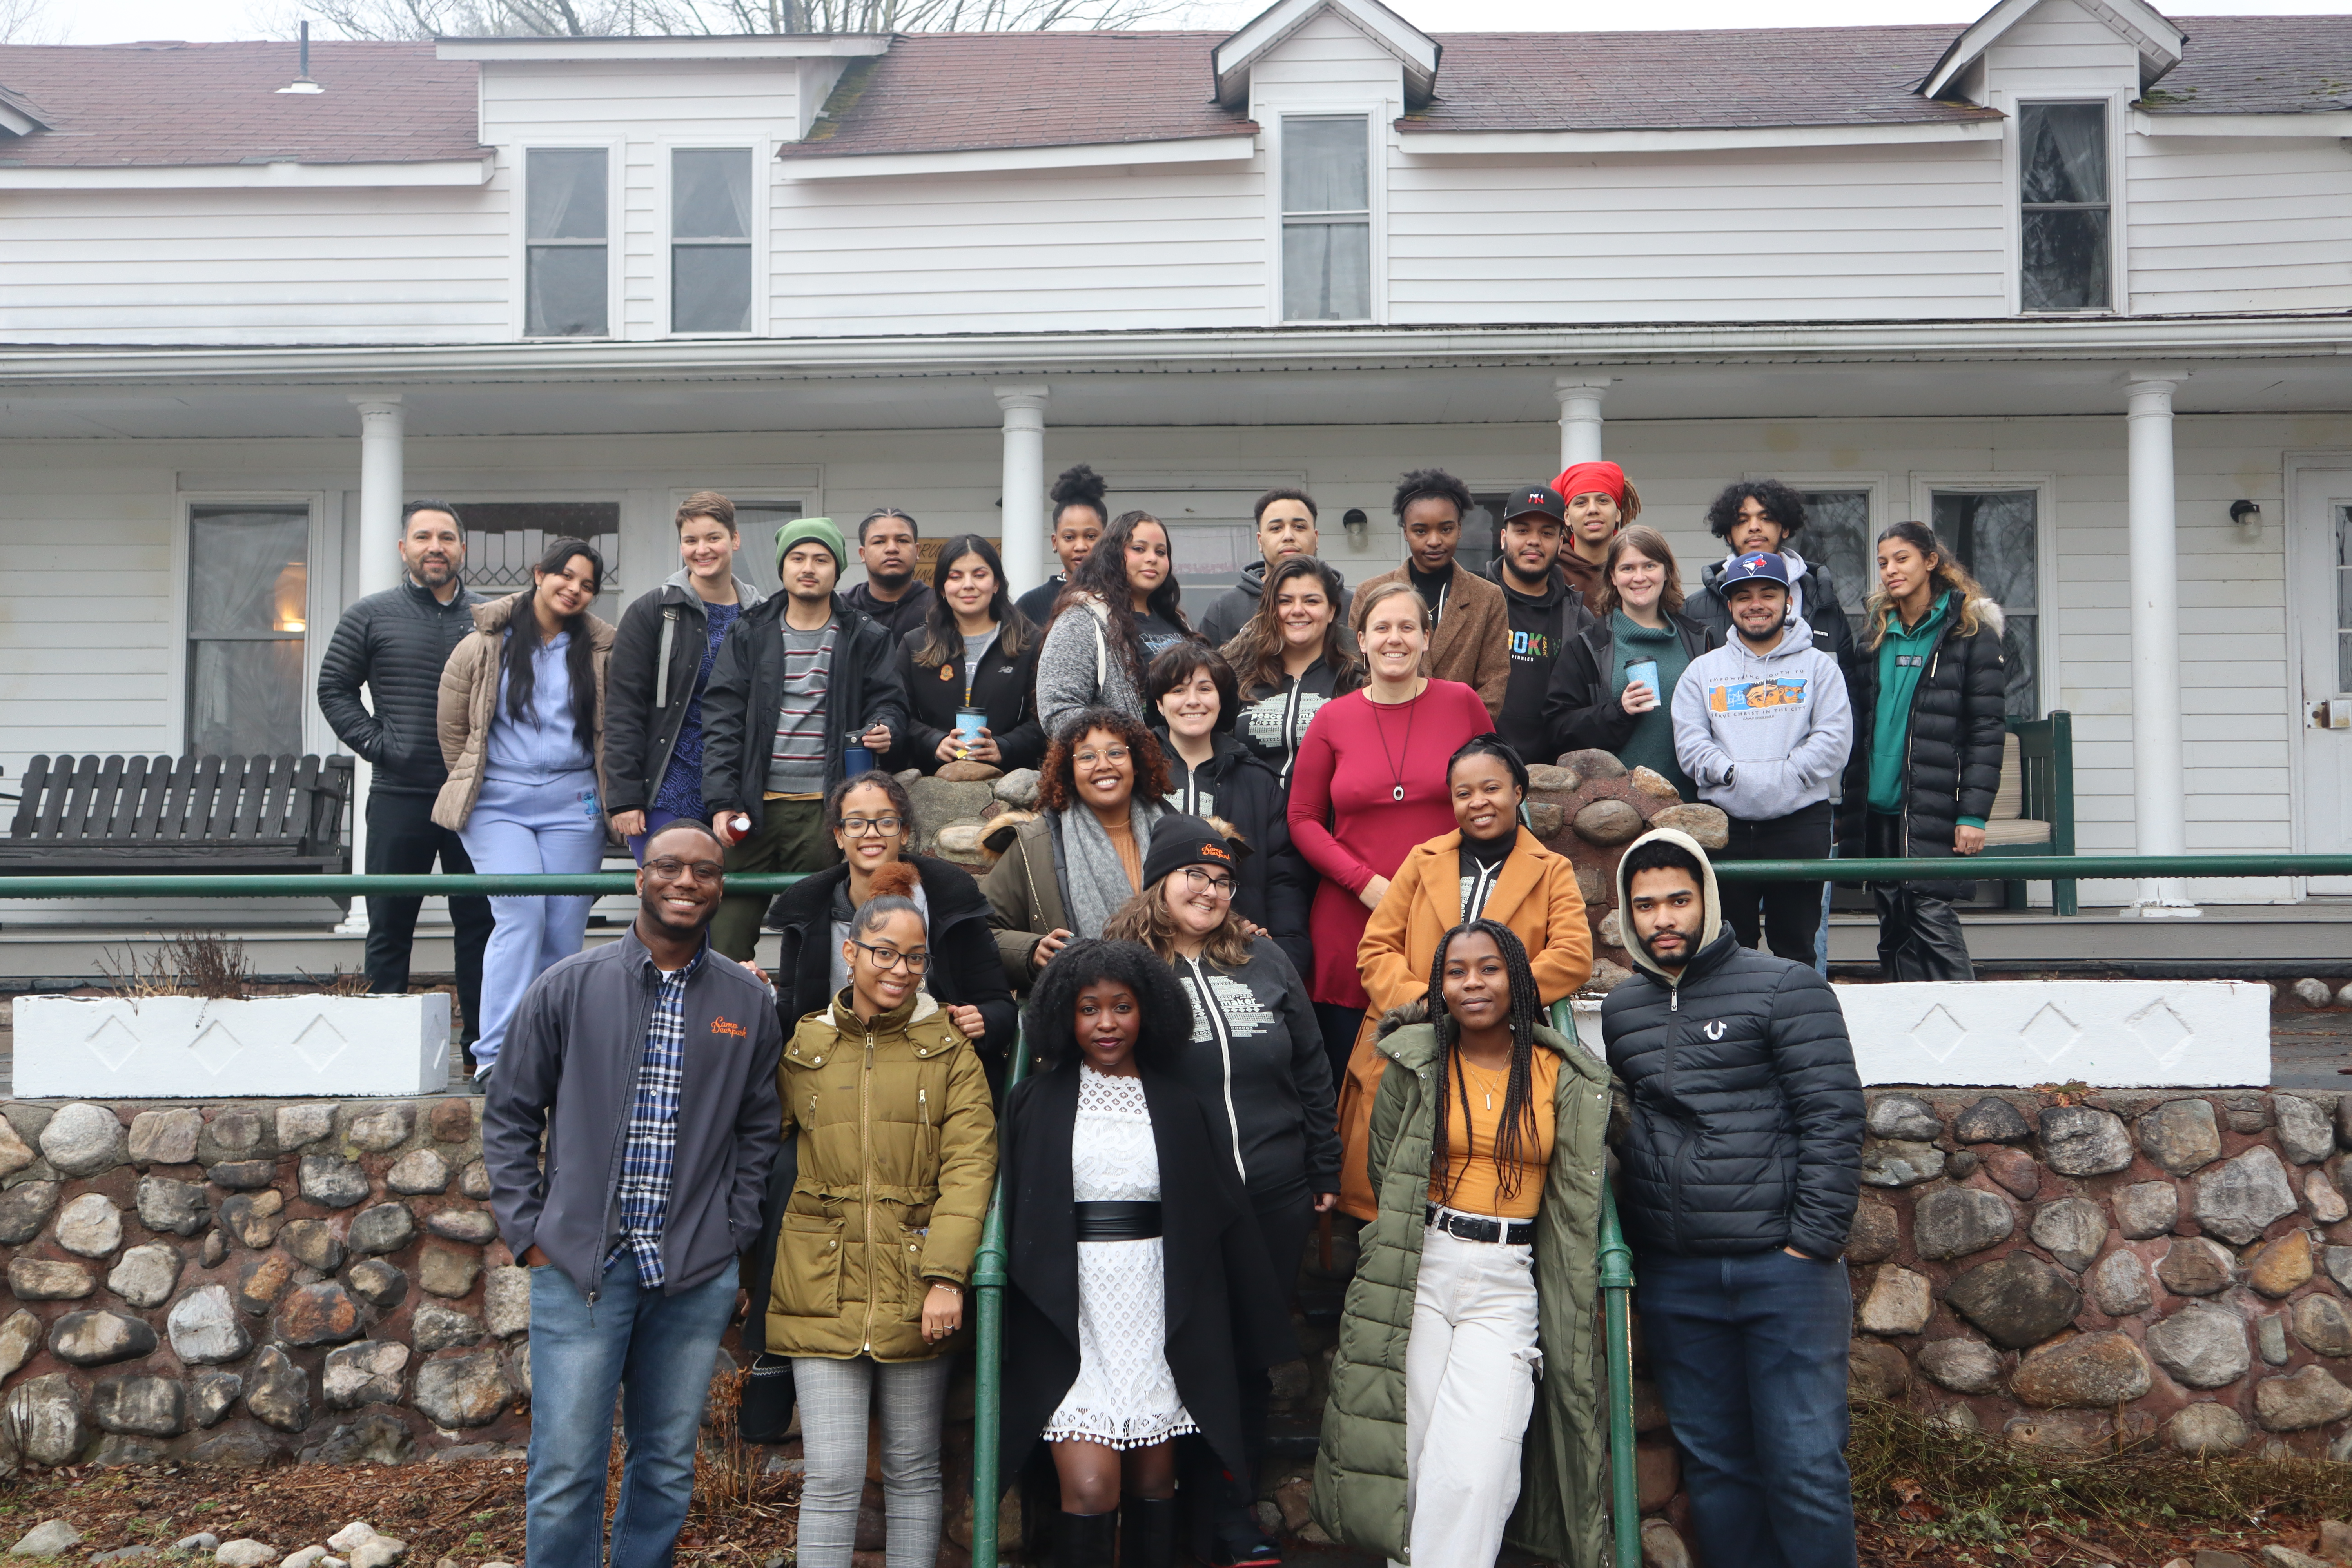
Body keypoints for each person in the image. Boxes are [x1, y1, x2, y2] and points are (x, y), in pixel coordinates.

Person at [482, 818, 784, 1568]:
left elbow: (758, 1132)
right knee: (564, 1471)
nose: (687, 882)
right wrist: (532, 1232)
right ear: (639, 875)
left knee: (667, 1466)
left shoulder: (747, 1001)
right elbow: (511, 1115)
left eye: (705, 872)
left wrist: (731, 1235)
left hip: (691, 1274)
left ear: (721, 888)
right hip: (582, 1268)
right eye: (670, 867)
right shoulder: (569, 986)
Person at [1310, 919, 1611, 1568]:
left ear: (1518, 980)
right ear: (1440, 986)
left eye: (1489, 968)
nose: (1473, 982)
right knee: (1409, 1454)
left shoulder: (1561, 1073)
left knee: (1478, 1467)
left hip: (1507, 1277)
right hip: (1422, 1265)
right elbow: (1391, 1168)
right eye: (1456, 971)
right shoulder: (1415, 1061)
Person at [1602, 829, 1863, 1568]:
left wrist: (1811, 1242)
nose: (1663, 919)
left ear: (1708, 901)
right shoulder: (1623, 1010)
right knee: (1716, 1470)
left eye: (1679, 900)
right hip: (1680, 1277)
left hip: (1783, 1271)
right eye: (1646, 904)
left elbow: (1833, 1115)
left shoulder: (1786, 986)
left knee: (1805, 1467)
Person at [997, 939, 1297, 1568]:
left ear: (1149, 1013)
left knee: (1155, 1486)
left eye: (1122, 1007)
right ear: (1064, 1017)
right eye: (1088, 1009)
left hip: (1156, 1309)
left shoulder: (1181, 1102)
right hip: (1071, 1314)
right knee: (1089, 1487)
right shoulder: (1034, 1102)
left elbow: (1223, 1218)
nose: (1106, 1024)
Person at [1103, 817, 1336, 1568]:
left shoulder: (1264, 959)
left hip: (1274, 1192)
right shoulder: (1127, 968)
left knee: (1247, 1359)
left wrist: (1324, 1170)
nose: (1209, 889)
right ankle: (1169, 1517)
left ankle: (1233, 1515)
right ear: (1160, 882)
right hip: (1175, 1202)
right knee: (1182, 1355)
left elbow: (1310, 1067)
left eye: (1222, 880)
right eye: (1193, 876)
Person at [755, 867, 997, 1568]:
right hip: (817, 1285)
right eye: (885, 952)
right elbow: (760, 1143)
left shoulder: (950, 1051)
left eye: (915, 956)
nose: (900, 968)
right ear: (851, 952)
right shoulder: (806, 1046)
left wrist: (948, 1277)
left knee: (914, 1470)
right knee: (831, 1477)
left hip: (915, 1283)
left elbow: (971, 1168)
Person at [1338, 734, 1591, 1220]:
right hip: (1411, 1035)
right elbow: (1376, 946)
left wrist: (1492, 999)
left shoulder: (1552, 869)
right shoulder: (1422, 859)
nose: (1478, 802)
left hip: (1498, 1046)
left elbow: (1572, 956)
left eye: (1491, 788)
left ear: (1518, 792)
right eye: (1463, 793)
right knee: (1383, 1197)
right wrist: (1428, 1002)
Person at [1286, 583, 1493, 1085]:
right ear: (1362, 639)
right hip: (1351, 921)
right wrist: (1365, 883)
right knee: (1353, 1085)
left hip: (1446, 914)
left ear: (1427, 638)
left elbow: (1495, 799)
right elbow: (1303, 819)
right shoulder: (1332, 719)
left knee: (1450, 1077)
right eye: (1381, 628)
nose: (1393, 639)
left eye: (1407, 628)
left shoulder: (1462, 704)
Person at [433, 538, 614, 1081]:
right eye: (566, 577)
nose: (575, 590)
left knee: (563, 931)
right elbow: (453, 726)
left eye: (587, 585)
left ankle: (549, 1056)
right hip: (497, 804)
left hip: (574, 802)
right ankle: (497, 1054)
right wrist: (477, 779)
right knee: (521, 914)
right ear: (540, 574)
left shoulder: (604, 649)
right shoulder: (484, 643)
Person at [315, 499, 493, 1047]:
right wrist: (378, 745)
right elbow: (334, 689)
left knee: (481, 929)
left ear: (462, 549)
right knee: (389, 926)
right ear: (404, 549)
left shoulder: (492, 618)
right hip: (399, 794)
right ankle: (384, 1053)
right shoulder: (370, 615)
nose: (435, 547)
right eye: (423, 537)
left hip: (474, 799)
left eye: (446, 537)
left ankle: (482, 1051)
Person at [700, 517, 909, 964]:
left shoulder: (865, 635)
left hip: (826, 809)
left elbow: (891, 702)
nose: (808, 567)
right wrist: (721, 802)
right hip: (751, 810)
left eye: (821, 558)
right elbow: (721, 719)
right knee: (726, 937)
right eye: (798, 558)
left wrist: (885, 726)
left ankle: (808, 1029)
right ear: (782, 568)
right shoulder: (749, 632)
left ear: (838, 569)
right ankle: (733, 1029)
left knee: (818, 936)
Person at [1840, 521, 2009, 982]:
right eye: (1882, 563)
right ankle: (1905, 1022)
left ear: (1931, 561)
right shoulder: (1875, 632)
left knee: (1931, 915)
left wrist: (1974, 815)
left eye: (1901, 559)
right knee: (1893, 921)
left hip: (1933, 802)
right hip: (1877, 804)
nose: (1891, 570)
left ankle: (1967, 1023)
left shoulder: (1970, 633)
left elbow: (1987, 730)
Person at [763, 771, 1015, 1069]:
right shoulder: (807, 912)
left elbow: (1000, 1007)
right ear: (839, 836)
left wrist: (983, 1019)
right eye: (856, 823)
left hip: (935, 1066)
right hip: (836, 1070)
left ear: (904, 833)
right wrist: (757, 992)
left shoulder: (951, 901)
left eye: (886, 822)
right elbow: (792, 1019)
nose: (871, 833)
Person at [1671, 551, 1852, 964]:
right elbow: (1692, 744)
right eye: (1744, 596)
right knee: (1729, 949)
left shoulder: (1819, 668)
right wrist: (1732, 774)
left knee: (1798, 947)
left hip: (1800, 821)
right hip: (1725, 825)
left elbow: (1835, 740)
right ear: (1730, 605)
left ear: (1788, 600)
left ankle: (1800, 1027)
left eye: (1768, 594)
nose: (1756, 604)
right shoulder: (1702, 672)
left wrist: (1785, 775)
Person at [603, 491, 768, 862]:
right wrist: (626, 797)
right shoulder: (653, 611)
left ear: (735, 540)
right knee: (670, 900)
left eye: (713, 538)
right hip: (666, 786)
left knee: (719, 910)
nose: (702, 549)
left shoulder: (761, 618)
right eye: (691, 540)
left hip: (737, 791)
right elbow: (623, 710)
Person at [1145, 643, 1311, 978]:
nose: (1193, 701)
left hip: (1236, 954)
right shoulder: (1136, 775)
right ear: (1160, 705)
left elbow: (1284, 879)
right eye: (1178, 690)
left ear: (1221, 702)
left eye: (1205, 689)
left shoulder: (1257, 781)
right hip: (1149, 949)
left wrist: (1286, 955)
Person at [984, 708, 1169, 987]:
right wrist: (1031, 950)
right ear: (1068, 770)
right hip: (1080, 1007)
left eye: (1116, 753)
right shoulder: (1034, 845)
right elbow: (982, 930)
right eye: (1087, 757)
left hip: (1178, 1000)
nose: (1104, 765)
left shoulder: (1178, 834)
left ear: (1137, 761)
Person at [1541, 524, 1715, 795]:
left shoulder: (1699, 640)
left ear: (1666, 571)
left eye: (1650, 566)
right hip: (1616, 812)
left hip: (1692, 807)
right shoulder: (1588, 646)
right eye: (1627, 568)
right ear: (1612, 575)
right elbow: (1557, 730)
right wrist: (1617, 711)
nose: (1639, 577)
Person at [1354, 469, 1510, 721]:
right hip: (1384, 730)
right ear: (1405, 532)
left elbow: (1494, 682)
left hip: (1460, 741)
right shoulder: (1369, 594)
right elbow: (1358, 673)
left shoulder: (1488, 598)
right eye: (1421, 531)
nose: (1435, 541)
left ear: (1460, 529)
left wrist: (1456, 733)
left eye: (1446, 529)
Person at [897, 533, 1045, 777]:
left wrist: (1005, 746)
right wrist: (934, 742)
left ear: (996, 584)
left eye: (980, 575)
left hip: (1010, 786)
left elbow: (1044, 719)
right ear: (942, 588)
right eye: (956, 577)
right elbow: (899, 716)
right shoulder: (914, 644)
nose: (968, 585)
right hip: (932, 787)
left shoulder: (1030, 643)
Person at [1035, 510, 1196, 730]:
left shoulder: (1178, 621)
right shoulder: (1081, 620)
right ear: (1112, 555)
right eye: (1139, 549)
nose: (1152, 558)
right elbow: (1058, 709)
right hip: (1126, 761)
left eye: (1161, 552)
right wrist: (1126, 746)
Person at [1683, 480, 1857, 680]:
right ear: (1728, 535)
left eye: (1766, 518)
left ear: (1785, 529)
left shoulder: (1824, 602)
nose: (1754, 527)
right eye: (1742, 521)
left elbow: (1847, 687)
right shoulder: (1695, 609)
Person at [1221, 556, 1363, 786]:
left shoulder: (1356, 681)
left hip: (1328, 819)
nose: (1297, 610)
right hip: (1252, 818)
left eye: (1312, 601)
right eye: (1285, 601)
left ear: (1331, 611)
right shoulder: (1238, 676)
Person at [1482, 482, 1592, 766]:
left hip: (1557, 775)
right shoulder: (1474, 603)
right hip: (1482, 767)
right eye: (1523, 530)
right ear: (1504, 538)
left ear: (1560, 543)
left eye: (1547, 533)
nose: (1534, 541)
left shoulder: (1579, 616)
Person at [1196, 488, 1354, 649]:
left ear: (1316, 538)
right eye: (1276, 528)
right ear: (1260, 541)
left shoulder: (1354, 605)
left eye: (1299, 527)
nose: (1288, 536)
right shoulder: (1225, 608)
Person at [1016, 464, 1109, 628]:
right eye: (1069, 537)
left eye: (1091, 536)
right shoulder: (1031, 605)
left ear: (1107, 539)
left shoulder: (1123, 596)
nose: (1080, 546)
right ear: (1055, 542)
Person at [1550, 460, 1642, 615]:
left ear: (1618, 513)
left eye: (1603, 501)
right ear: (1567, 517)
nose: (1593, 510)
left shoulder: (1640, 568)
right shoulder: (1552, 573)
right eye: (1581, 503)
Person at [843, 506, 936, 642]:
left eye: (902, 541)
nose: (892, 549)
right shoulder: (844, 609)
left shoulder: (938, 607)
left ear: (917, 551)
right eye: (879, 542)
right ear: (863, 554)